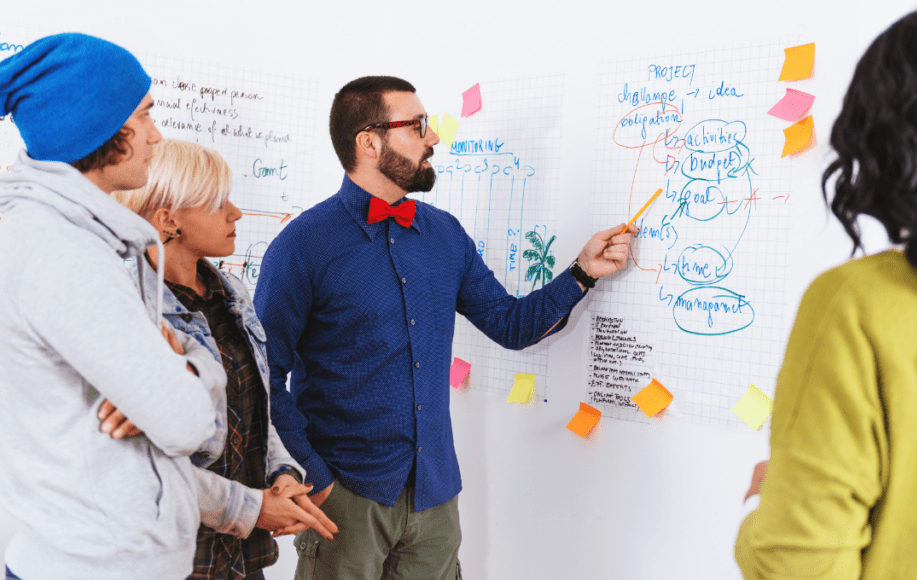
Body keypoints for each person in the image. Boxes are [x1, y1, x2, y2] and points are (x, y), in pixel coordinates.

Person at [254, 75, 637, 580]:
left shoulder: (444, 235)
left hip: (435, 496)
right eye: (417, 126)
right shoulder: (303, 245)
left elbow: (511, 324)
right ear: (369, 142)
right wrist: (318, 478)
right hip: (345, 500)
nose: (432, 137)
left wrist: (582, 273)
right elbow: (262, 377)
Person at [735, 2, 917, 578]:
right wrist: (581, 276)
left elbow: (798, 567)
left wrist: (757, 509)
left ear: (889, 142)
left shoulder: (857, 304)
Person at [0, 34, 227, 580]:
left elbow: (175, 394)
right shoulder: (65, 251)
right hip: (96, 563)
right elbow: (187, 423)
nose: (156, 136)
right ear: (103, 128)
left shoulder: (62, 235)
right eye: (146, 116)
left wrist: (177, 369)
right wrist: (184, 372)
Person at [112, 139, 339, 580]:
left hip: (237, 557)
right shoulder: (128, 312)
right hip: (166, 558)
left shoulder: (232, 293)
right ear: (168, 220)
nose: (235, 212)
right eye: (218, 202)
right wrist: (253, 509)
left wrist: (283, 473)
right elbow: (140, 462)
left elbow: (257, 407)